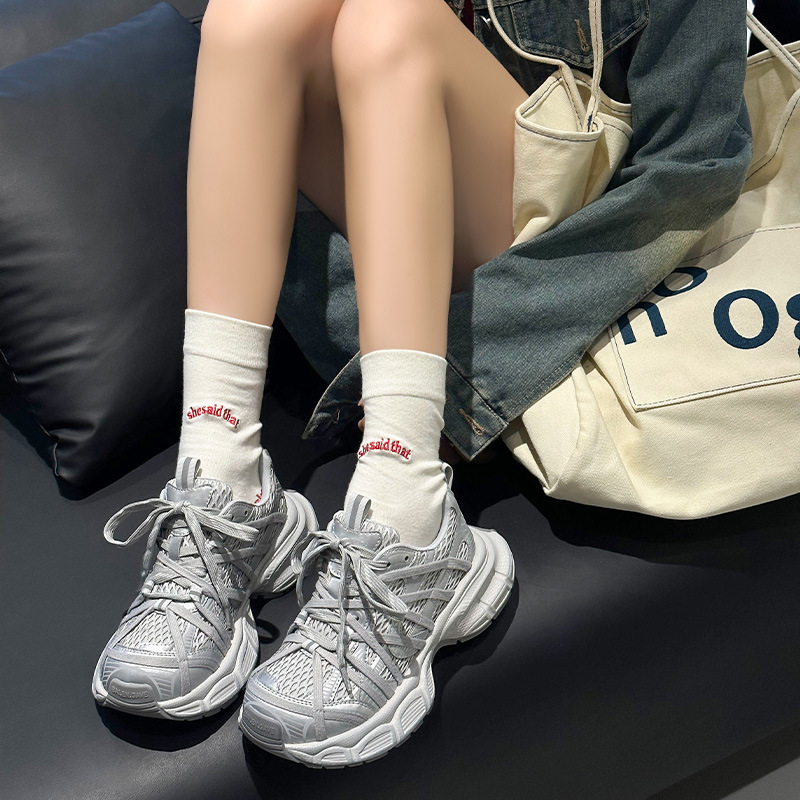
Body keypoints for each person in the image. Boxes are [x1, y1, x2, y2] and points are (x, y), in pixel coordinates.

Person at [91, 0, 752, 768]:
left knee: (390, 23)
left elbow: (695, 164)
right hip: (402, 256)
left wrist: (473, 364)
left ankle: (410, 509)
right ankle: (224, 476)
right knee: (250, 15)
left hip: (561, 246)